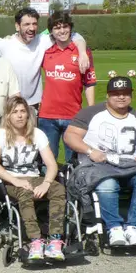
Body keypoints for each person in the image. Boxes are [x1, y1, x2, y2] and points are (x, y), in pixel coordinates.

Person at [63, 77, 136, 247]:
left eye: (125, 93)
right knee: (107, 183)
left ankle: (133, 228)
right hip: (98, 166)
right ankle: (114, 228)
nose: (121, 97)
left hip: (131, 166)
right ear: (108, 95)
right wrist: (90, 151)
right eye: (116, 94)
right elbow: (70, 136)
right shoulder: (91, 113)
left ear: (131, 95)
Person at [0, 8, 89, 111]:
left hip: (33, 106)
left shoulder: (43, 41)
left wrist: (82, 53)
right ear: (17, 26)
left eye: (34, 24)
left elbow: (75, 35)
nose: (31, 28)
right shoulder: (4, 44)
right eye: (26, 24)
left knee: (33, 144)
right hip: (10, 105)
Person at [0, 96, 66, 262]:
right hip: (10, 180)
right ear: (8, 116)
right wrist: (15, 181)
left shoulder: (37, 134)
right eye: (15, 112)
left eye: (23, 111)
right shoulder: (0, 134)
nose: (20, 115)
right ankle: (36, 240)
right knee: (25, 192)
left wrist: (46, 183)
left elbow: (51, 165)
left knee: (58, 189)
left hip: (34, 177)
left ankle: (55, 240)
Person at [37, 12, 96, 161]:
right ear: (51, 31)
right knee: (48, 161)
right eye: (57, 28)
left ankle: (72, 185)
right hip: (47, 116)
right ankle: (51, 185)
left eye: (65, 26)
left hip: (73, 116)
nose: (62, 31)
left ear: (70, 28)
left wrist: (91, 110)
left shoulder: (83, 53)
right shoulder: (45, 51)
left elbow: (89, 83)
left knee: (73, 162)